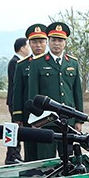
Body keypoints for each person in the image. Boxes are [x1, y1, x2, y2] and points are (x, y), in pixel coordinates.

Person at [14, 25, 59, 161]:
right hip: (30, 115)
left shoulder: (55, 63)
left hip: (50, 114)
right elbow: (17, 92)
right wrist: (18, 116)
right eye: (34, 42)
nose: (38, 45)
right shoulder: (22, 65)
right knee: (32, 152)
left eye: (41, 42)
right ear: (29, 44)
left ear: (46, 42)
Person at [2, 36, 30, 164]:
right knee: (14, 128)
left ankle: (15, 153)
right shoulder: (15, 62)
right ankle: (11, 155)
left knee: (18, 128)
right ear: (22, 48)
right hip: (15, 101)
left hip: (16, 101)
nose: (29, 48)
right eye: (28, 46)